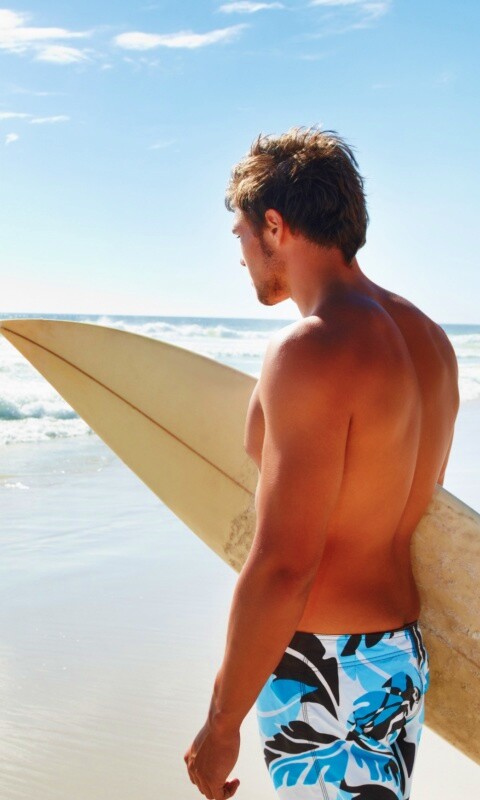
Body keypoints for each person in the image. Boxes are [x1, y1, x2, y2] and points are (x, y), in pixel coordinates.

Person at [184, 127, 459, 800]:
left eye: (241, 234)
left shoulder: (311, 349)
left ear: (275, 226)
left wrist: (221, 723)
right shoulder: (432, 343)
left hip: (326, 669)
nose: (241, 256)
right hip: (396, 661)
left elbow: (285, 564)